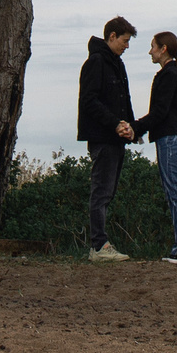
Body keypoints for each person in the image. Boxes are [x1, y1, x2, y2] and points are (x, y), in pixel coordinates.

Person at [132, 30, 177, 263]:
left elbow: (160, 112)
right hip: (170, 137)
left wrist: (136, 128)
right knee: (175, 189)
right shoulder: (169, 74)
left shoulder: (170, 75)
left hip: (171, 138)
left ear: (163, 49)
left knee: (176, 189)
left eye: (153, 46)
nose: (150, 50)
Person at [76, 17, 138, 261]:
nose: (127, 46)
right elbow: (89, 101)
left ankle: (101, 245)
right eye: (124, 40)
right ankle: (99, 247)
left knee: (107, 192)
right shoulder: (96, 62)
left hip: (117, 139)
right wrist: (115, 124)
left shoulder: (117, 64)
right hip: (102, 138)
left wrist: (131, 128)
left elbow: (124, 100)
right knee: (101, 191)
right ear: (111, 36)